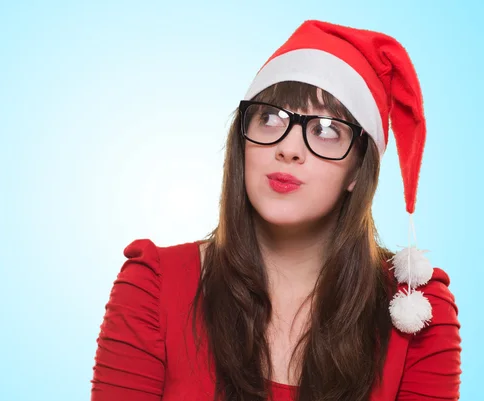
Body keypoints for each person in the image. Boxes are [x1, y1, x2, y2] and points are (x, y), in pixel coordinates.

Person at [89, 20, 462, 401]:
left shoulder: (418, 311)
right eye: (269, 119)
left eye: (326, 130)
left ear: (357, 170)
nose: (288, 149)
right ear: (242, 142)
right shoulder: (153, 286)